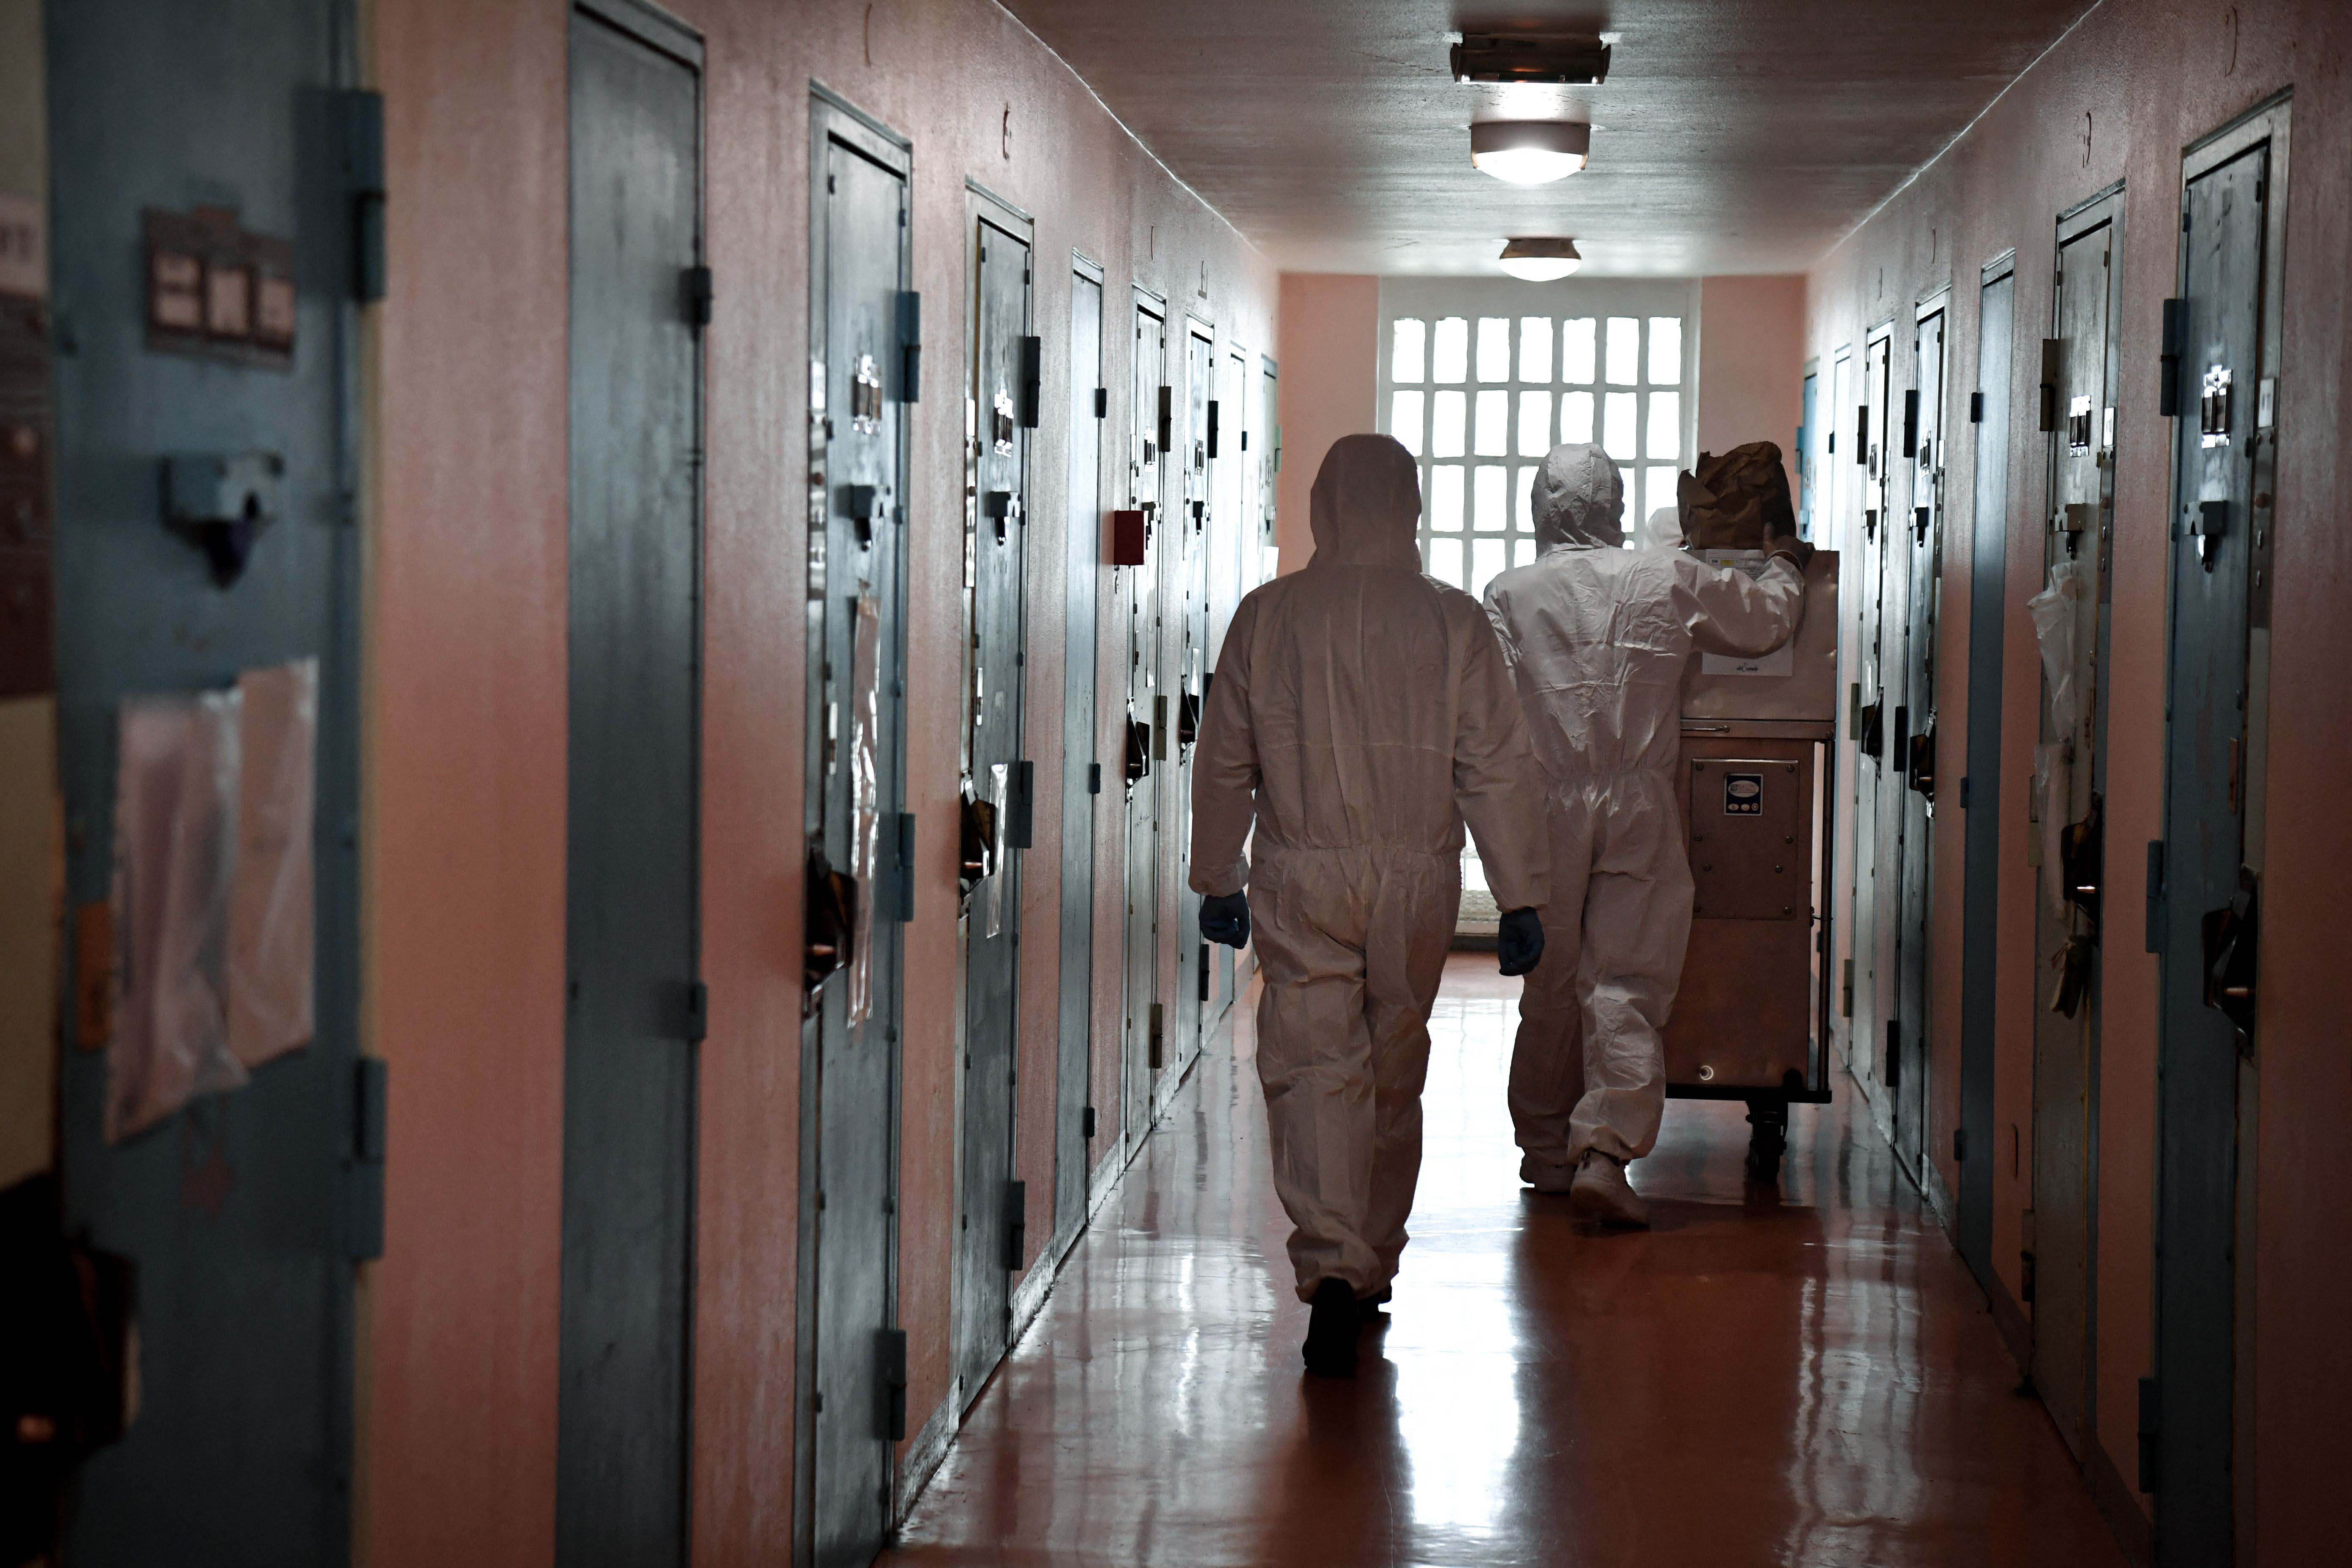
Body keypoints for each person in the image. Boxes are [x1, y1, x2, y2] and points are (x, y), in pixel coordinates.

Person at [1191, 433, 1549, 1377]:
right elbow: (1496, 767)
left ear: (1322, 506)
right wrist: (1520, 894)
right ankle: (1369, 1257)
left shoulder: (1268, 617)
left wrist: (1216, 873)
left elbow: (1225, 756)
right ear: (1412, 507)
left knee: (1314, 1066)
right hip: (1416, 882)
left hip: (1302, 873)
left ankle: (1335, 1265)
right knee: (1394, 1062)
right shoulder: (1455, 623)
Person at [1482, 442, 1808, 1227]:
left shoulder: (1508, 593)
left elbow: (1483, 718)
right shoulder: (1663, 573)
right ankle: (1605, 1154)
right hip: (1637, 800)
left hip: (1544, 806)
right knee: (1625, 981)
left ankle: (1545, 1150)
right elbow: (1763, 624)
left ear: (1540, 507)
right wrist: (1785, 566)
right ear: (1617, 509)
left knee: (1551, 985)